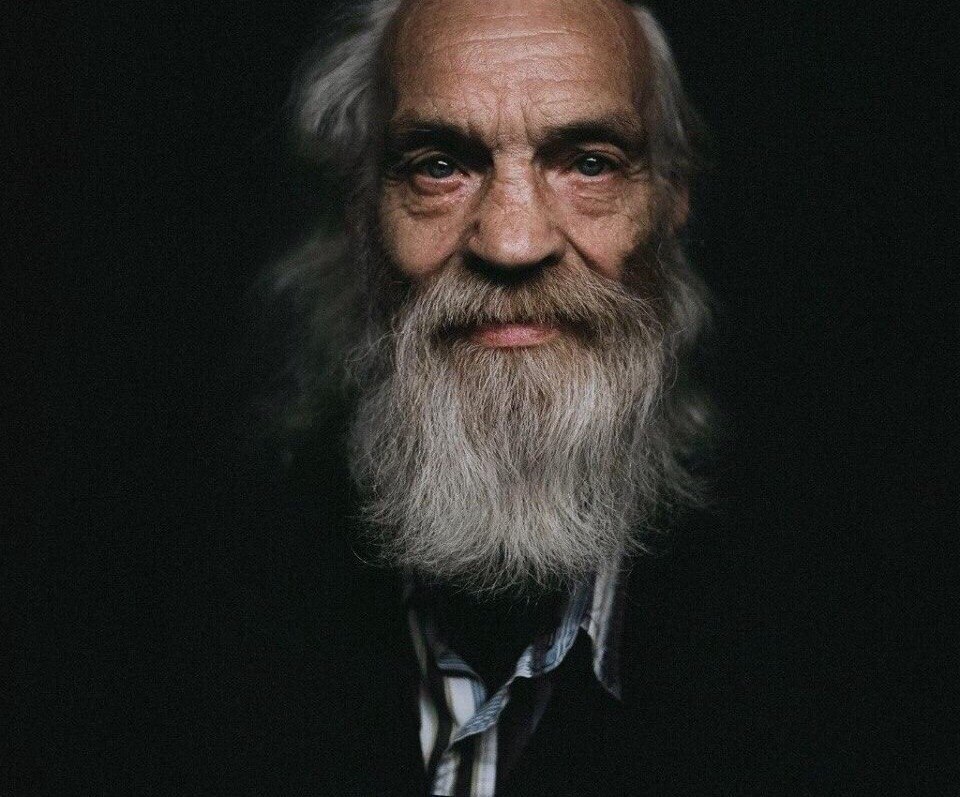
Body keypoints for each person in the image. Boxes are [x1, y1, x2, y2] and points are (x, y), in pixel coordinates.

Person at [245, 0, 725, 794]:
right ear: (361, 210)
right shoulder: (205, 615)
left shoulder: (834, 637)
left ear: (671, 198)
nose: (511, 241)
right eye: (439, 166)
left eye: (590, 163)